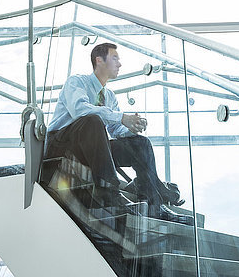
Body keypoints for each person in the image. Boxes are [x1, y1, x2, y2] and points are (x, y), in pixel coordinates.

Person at [44, 42, 193, 224]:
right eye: (115, 58)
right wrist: (122, 117)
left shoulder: (109, 96)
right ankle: (110, 195)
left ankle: (154, 205)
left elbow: (115, 130)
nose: (119, 64)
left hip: (91, 148)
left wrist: (131, 128)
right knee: (93, 121)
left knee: (141, 144)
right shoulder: (76, 82)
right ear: (99, 60)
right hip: (61, 145)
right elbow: (80, 111)